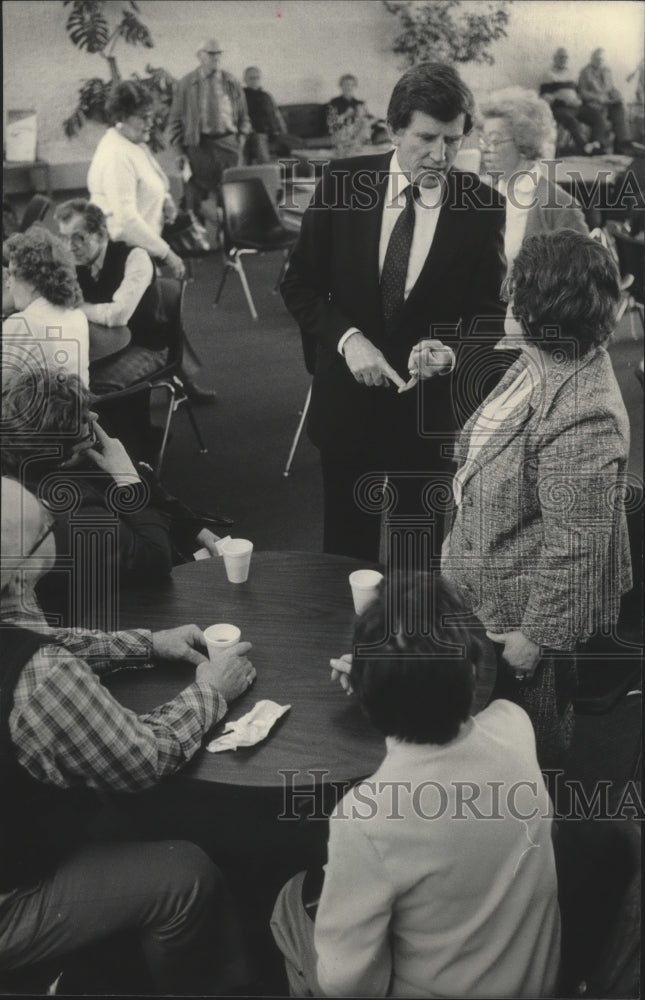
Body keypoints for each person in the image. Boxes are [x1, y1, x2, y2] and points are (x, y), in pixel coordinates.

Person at [0, 475, 255, 994]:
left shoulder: (13, 610)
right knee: (186, 874)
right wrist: (212, 690)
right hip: (10, 897)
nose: (56, 520)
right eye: (46, 523)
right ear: (21, 570)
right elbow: (144, 758)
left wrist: (147, 644)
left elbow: (48, 639)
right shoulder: (40, 676)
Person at [271, 572, 561, 998]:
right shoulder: (515, 725)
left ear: (369, 697)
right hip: (533, 983)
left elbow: (349, 985)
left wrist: (384, 688)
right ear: (472, 669)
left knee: (288, 902)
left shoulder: (363, 819)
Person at [282, 61, 506, 562]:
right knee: (344, 559)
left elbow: (489, 315)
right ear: (393, 129)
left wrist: (450, 353)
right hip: (347, 405)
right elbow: (297, 284)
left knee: (418, 561)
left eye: (453, 140)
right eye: (426, 138)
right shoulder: (342, 183)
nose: (440, 155)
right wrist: (347, 339)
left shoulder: (482, 206)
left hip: (426, 416)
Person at [442, 230, 632, 768]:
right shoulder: (542, 355)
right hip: (483, 588)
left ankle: (530, 843)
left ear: (542, 309)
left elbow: (576, 545)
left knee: (524, 752)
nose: (504, 295)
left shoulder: (583, 413)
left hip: (521, 616)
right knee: (476, 743)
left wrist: (534, 638)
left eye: (515, 289)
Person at [1, 370, 230, 628]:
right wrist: (126, 478)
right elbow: (155, 560)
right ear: (65, 457)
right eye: (85, 421)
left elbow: (142, 482)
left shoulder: (38, 464)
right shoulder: (74, 517)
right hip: (110, 619)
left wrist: (191, 527)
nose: (95, 417)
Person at [54, 199, 169, 393]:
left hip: (146, 346)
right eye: (64, 239)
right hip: (104, 346)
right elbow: (61, 303)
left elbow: (117, 315)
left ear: (101, 234)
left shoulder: (135, 257)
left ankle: (132, 424)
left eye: (78, 238)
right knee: (57, 379)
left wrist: (80, 307)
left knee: (92, 385)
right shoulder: (78, 263)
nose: (70, 247)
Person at [479, 87, 588, 272]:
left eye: (495, 141)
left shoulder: (558, 204)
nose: (486, 149)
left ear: (524, 143)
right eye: (483, 140)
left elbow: (583, 278)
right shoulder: (488, 191)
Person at [87, 81, 185, 281]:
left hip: (138, 254)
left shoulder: (134, 144)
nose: (151, 123)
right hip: (120, 260)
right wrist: (168, 254)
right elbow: (126, 221)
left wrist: (164, 199)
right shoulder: (117, 155)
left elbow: (151, 179)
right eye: (144, 117)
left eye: (151, 116)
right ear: (121, 118)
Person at [168, 38, 251, 207]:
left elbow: (244, 117)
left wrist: (240, 140)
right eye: (211, 53)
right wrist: (179, 152)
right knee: (196, 199)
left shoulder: (232, 82)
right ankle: (201, 232)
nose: (217, 57)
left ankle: (229, 231)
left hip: (229, 147)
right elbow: (175, 121)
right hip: (199, 147)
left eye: (219, 53)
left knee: (232, 198)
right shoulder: (186, 84)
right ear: (200, 56)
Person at [2, 227, 89, 388]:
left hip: (40, 412)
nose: (8, 284)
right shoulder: (78, 315)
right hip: (77, 408)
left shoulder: (20, 324)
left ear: (34, 282)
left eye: (14, 275)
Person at [539, 47, 605, 156]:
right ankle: (585, 147)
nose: (564, 59)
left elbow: (578, 92)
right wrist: (564, 102)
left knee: (597, 117)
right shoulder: (548, 75)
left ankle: (595, 144)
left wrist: (579, 100)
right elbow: (545, 97)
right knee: (571, 120)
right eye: (561, 57)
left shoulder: (572, 74)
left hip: (576, 106)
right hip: (560, 108)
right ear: (554, 59)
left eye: (566, 57)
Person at [578, 48, 631, 154]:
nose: (599, 61)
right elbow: (582, 92)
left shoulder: (607, 70)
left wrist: (618, 95)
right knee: (600, 114)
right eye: (597, 59)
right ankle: (599, 146)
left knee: (619, 107)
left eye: (602, 59)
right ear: (592, 59)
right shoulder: (585, 72)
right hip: (593, 104)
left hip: (607, 103)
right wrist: (596, 97)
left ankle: (623, 143)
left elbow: (612, 87)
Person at [243, 66, 292, 164]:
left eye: (257, 78)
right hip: (255, 133)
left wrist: (282, 130)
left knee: (292, 143)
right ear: (245, 80)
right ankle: (267, 171)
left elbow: (276, 114)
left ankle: (288, 173)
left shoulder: (266, 95)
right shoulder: (242, 96)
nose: (255, 81)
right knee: (259, 139)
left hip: (272, 132)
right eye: (251, 78)